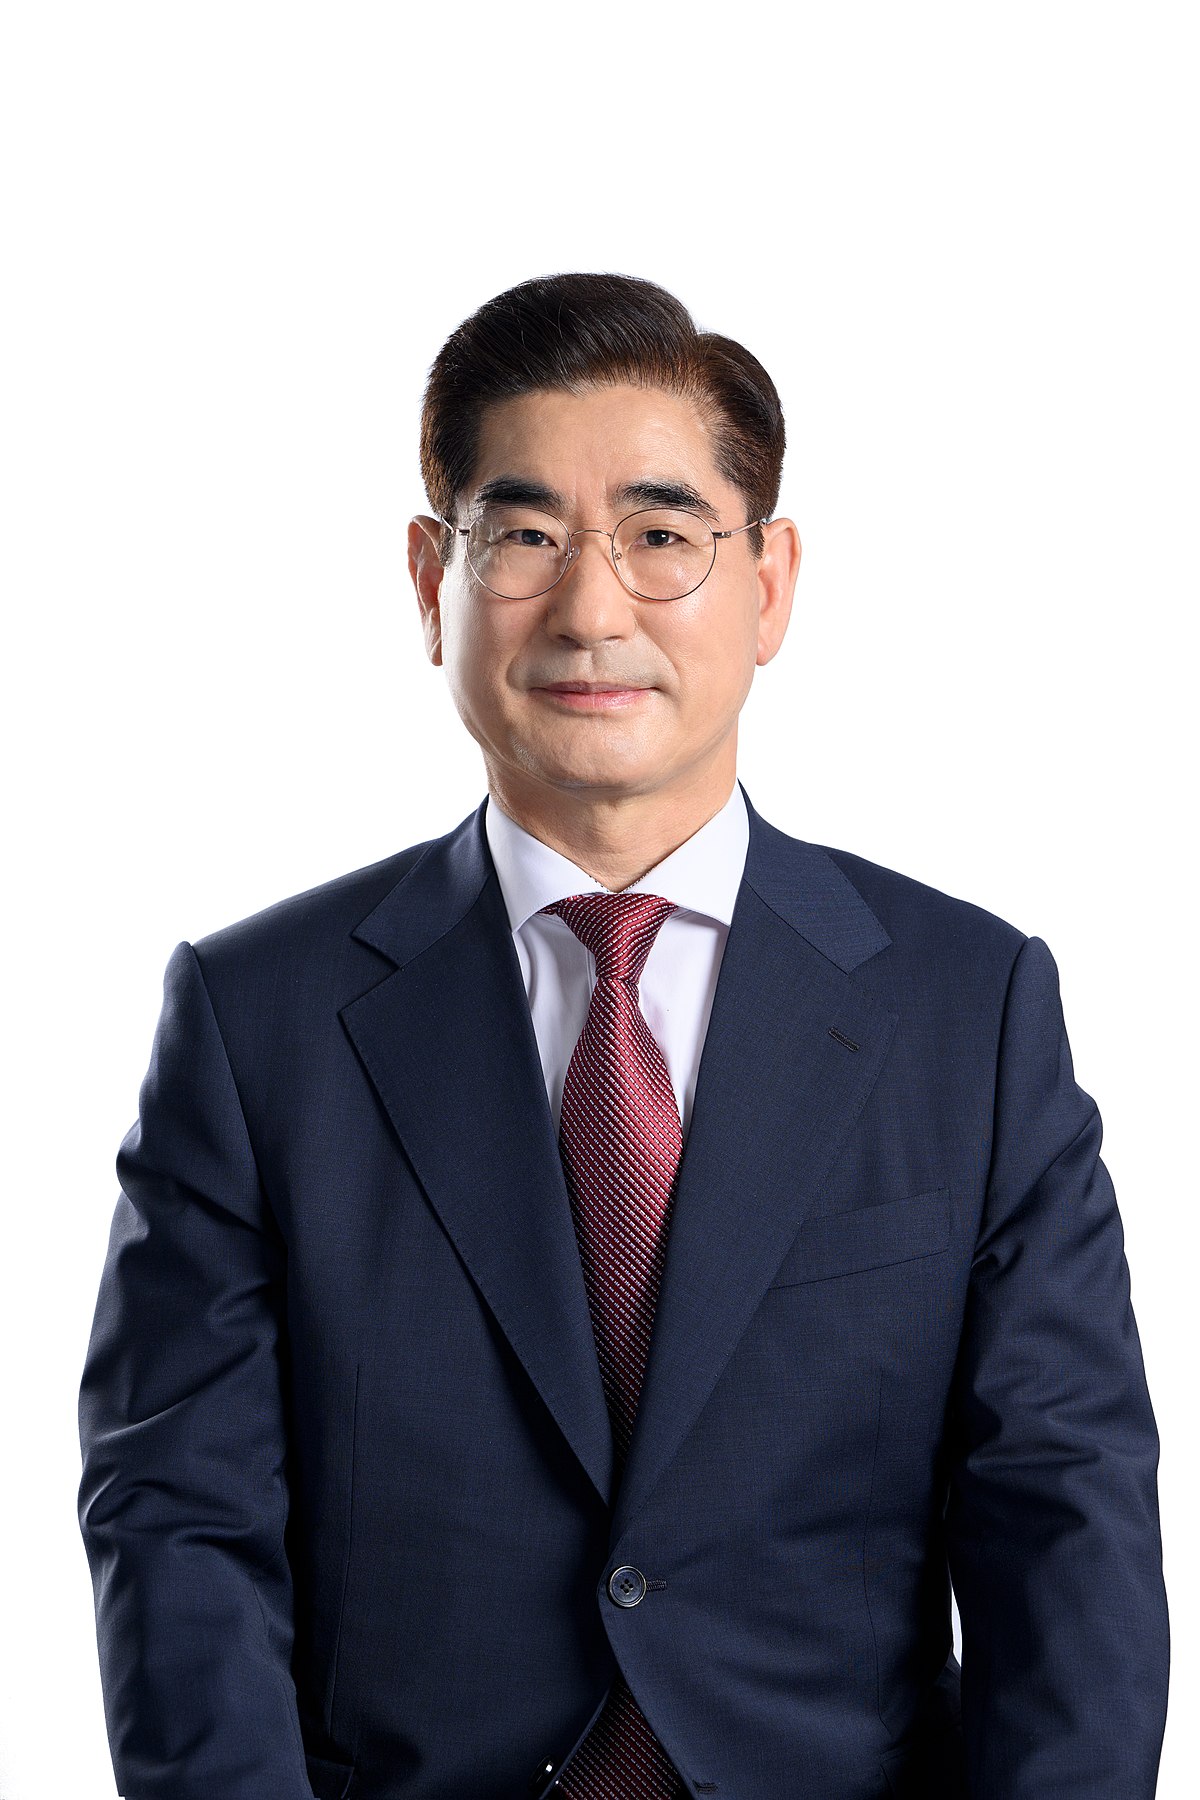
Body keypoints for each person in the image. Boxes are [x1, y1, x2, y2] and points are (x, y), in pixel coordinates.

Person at [77, 271, 1170, 1800]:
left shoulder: (967, 1011)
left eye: (662, 538)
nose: (592, 612)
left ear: (770, 583)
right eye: (524, 536)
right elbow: (180, 1530)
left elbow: (1068, 1526)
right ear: (431, 581)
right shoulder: (258, 1025)